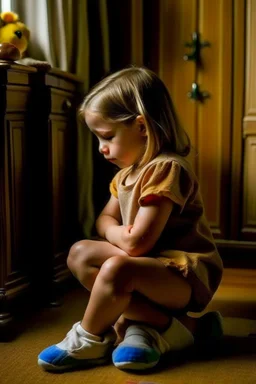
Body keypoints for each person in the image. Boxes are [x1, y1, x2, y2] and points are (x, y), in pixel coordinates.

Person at [38, 66, 223, 372]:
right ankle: (172, 329)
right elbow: (104, 220)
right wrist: (123, 236)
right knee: (79, 254)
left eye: (107, 136)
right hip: (144, 268)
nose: (101, 148)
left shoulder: (166, 169)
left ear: (141, 126)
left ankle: (91, 337)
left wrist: (123, 237)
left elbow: (138, 243)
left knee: (118, 267)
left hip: (180, 274)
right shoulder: (127, 173)